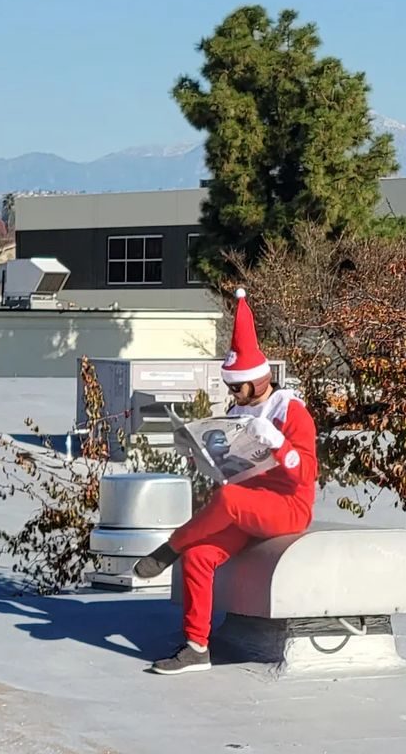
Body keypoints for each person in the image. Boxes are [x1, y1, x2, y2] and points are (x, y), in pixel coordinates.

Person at [133, 287, 319, 675]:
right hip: (249, 505)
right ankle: (197, 647)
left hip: (287, 508)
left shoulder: (292, 411)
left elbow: (305, 473)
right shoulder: (239, 408)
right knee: (200, 557)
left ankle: (169, 549)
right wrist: (202, 455)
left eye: (236, 386)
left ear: (255, 380)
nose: (232, 393)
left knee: (230, 499)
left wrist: (279, 443)